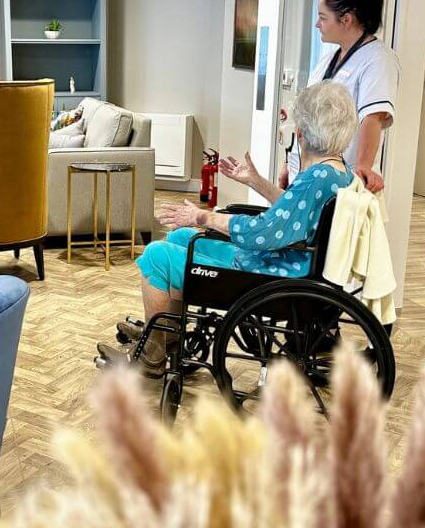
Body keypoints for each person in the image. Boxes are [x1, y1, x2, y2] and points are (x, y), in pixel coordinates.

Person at [98, 82, 357, 374]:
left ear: (302, 132)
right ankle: (167, 330)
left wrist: (205, 218)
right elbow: (295, 214)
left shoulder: (314, 177)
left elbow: (265, 232)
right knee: (182, 237)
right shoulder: (337, 172)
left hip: (269, 274)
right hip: (292, 264)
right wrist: (255, 181)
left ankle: (155, 350)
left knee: (158, 254)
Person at [279, 0, 399, 194]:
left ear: (346, 20)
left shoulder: (378, 59)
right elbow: (306, 114)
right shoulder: (329, 58)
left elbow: (373, 117)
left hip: (339, 177)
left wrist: (363, 166)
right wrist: (290, 160)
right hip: (306, 170)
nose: (317, 24)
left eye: (323, 18)